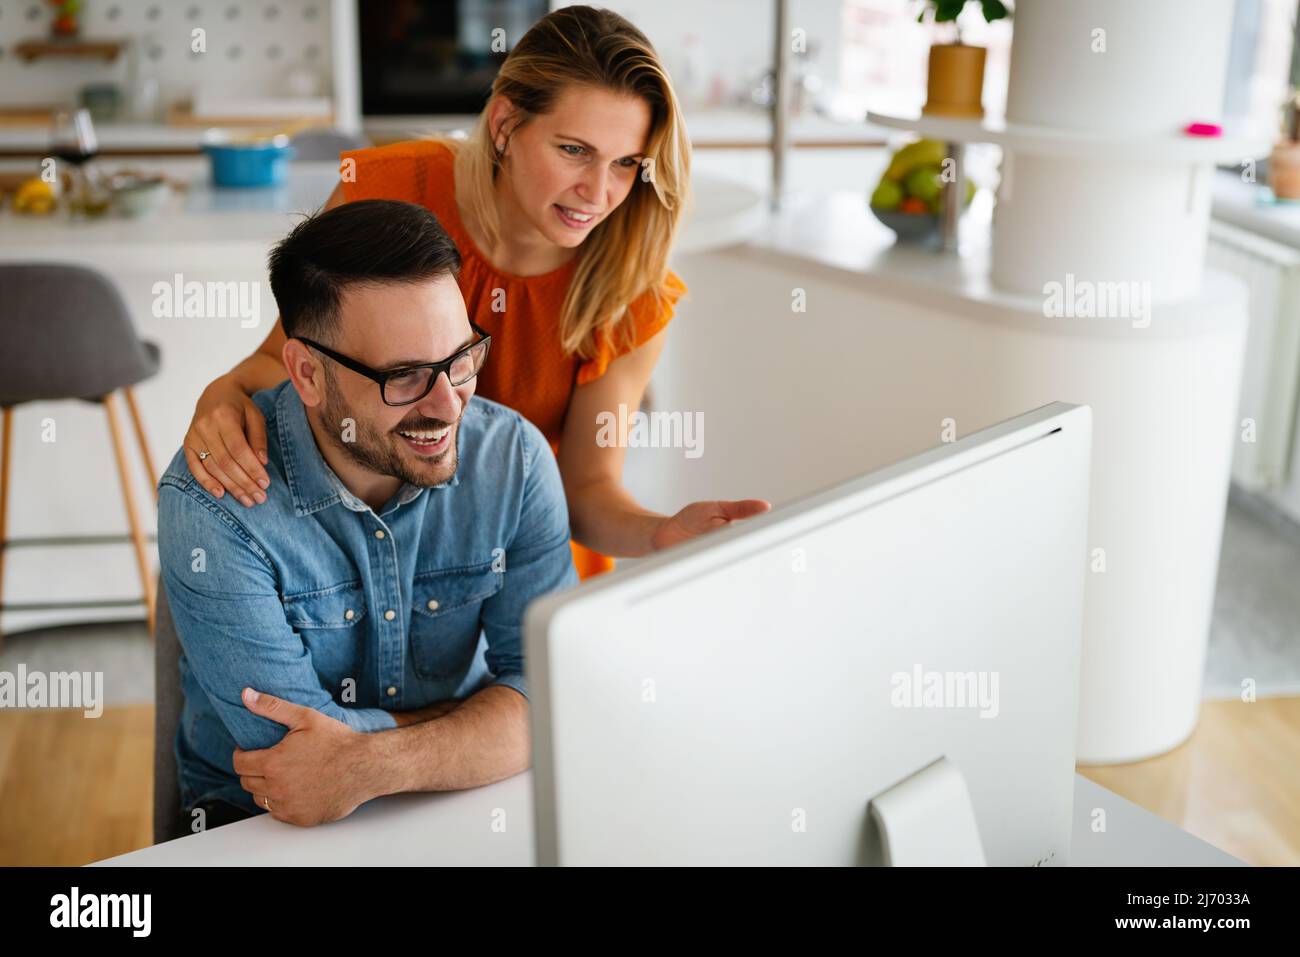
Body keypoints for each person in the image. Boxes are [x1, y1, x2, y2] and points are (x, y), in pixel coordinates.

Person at [181, 5, 769, 582]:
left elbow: (585, 490)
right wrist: (221, 392)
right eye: (574, 150)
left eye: (625, 163)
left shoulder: (630, 289)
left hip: (515, 573)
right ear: (506, 124)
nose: (598, 191)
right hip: (365, 558)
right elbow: (284, 366)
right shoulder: (390, 189)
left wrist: (659, 532)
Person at [159, 199, 577, 828]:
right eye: (404, 376)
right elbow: (291, 760)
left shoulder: (513, 460)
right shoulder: (214, 504)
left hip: (457, 799)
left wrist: (376, 760)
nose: (448, 405)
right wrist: (488, 722)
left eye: (460, 358)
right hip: (258, 819)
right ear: (307, 373)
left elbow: (553, 697)